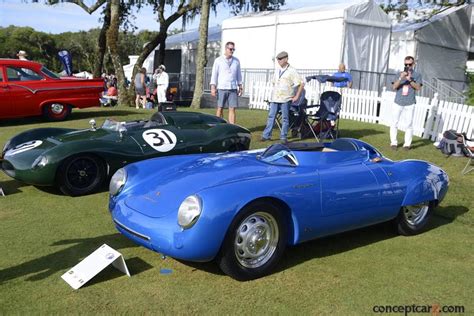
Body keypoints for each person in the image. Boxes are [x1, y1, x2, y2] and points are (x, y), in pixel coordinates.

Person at [261, 51, 304, 142]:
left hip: (286, 99)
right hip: (275, 98)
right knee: (271, 116)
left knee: (285, 118)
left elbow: (301, 83)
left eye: (280, 59)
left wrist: (296, 96)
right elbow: (274, 82)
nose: (278, 61)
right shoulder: (277, 70)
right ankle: (266, 135)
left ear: (286, 59)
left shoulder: (292, 71)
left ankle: (283, 136)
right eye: (278, 59)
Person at [390, 56, 422, 151]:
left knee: (408, 124)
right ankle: (393, 143)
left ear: (414, 64)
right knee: (394, 123)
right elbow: (394, 87)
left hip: (410, 102)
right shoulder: (399, 74)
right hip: (398, 102)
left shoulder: (417, 75)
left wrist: (410, 80)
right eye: (406, 64)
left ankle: (407, 145)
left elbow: (418, 88)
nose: (408, 66)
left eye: (410, 64)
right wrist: (401, 78)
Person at [210, 41, 243, 124]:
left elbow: (239, 74)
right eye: (230, 49)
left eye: (233, 49)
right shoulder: (218, 60)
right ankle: (218, 126)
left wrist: (240, 86)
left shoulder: (236, 61)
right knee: (220, 108)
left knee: (232, 109)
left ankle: (232, 127)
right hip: (222, 87)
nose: (232, 51)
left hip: (232, 88)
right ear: (226, 49)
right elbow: (214, 74)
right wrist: (213, 87)